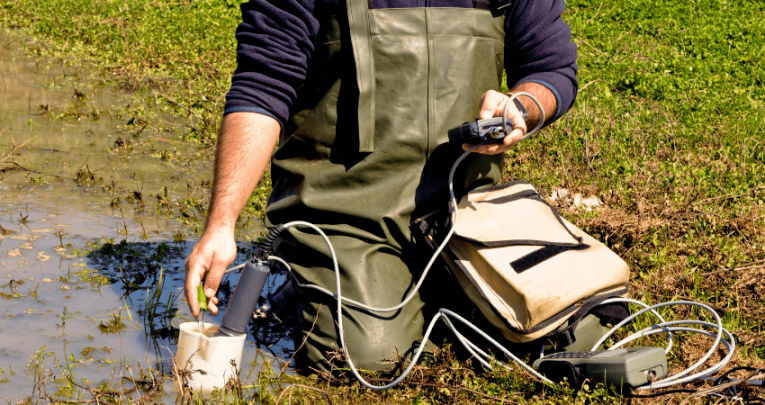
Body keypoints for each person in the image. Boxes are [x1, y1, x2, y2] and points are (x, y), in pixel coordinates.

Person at [185, 0, 578, 373]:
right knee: (369, 358)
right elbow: (264, 84)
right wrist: (221, 224)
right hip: (343, 213)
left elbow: (553, 70)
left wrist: (522, 104)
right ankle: (305, 281)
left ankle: (413, 288)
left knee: (564, 330)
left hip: (464, 213)